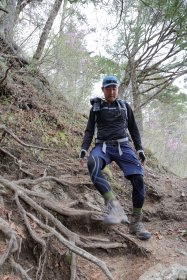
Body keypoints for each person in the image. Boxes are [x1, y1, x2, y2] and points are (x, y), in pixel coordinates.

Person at [79, 75, 151, 240]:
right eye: (108, 88)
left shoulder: (125, 106)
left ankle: (136, 223)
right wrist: (84, 148)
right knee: (93, 164)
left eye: (114, 88)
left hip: (123, 146)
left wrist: (139, 149)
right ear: (103, 90)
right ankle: (114, 206)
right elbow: (89, 130)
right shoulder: (96, 108)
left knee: (139, 178)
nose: (111, 91)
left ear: (117, 89)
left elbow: (134, 129)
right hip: (102, 146)